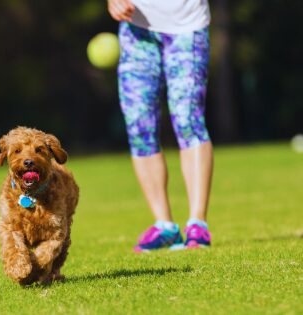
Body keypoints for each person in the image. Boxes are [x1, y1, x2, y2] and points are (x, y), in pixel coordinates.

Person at [107, 0, 213, 251]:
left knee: (189, 121)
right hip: (136, 30)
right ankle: (164, 225)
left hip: (187, 27)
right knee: (139, 127)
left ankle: (198, 224)